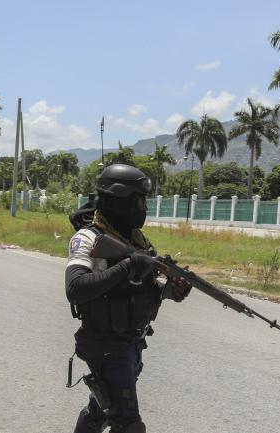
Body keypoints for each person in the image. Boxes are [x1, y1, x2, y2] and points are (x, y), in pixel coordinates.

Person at [65, 164, 192, 433]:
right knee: (129, 424)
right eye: (139, 201)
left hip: (132, 343)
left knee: (100, 410)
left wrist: (172, 291)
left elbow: (144, 289)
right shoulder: (88, 238)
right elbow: (75, 288)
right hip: (105, 345)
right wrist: (127, 266)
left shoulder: (137, 240)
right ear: (119, 201)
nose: (144, 208)